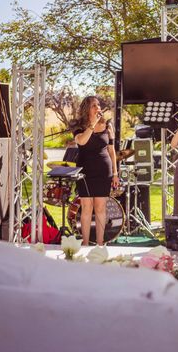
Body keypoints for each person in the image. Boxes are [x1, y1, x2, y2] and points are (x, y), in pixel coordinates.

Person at [73, 96, 119, 246]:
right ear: (87, 109)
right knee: (87, 207)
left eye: (98, 105)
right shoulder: (78, 126)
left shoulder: (107, 126)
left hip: (103, 170)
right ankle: (85, 243)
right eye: (94, 105)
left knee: (100, 207)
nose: (98, 107)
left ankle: (100, 243)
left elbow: (112, 151)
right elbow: (81, 141)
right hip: (84, 170)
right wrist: (91, 125)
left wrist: (115, 173)